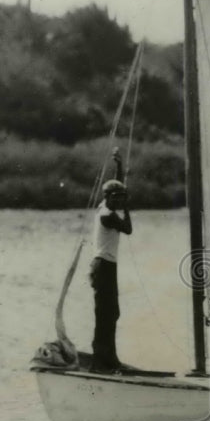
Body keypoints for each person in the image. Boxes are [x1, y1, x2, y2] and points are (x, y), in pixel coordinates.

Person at [90, 149, 133, 373]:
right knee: (105, 313)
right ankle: (101, 358)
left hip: (108, 266)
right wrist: (126, 206)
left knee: (112, 312)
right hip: (103, 266)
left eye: (122, 198)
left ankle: (110, 356)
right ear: (108, 198)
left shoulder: (105, 206)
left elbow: (118, 186)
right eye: (117, 198)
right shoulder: (107, 215)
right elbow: (128, 229)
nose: (121, 201)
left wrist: (119, 166)